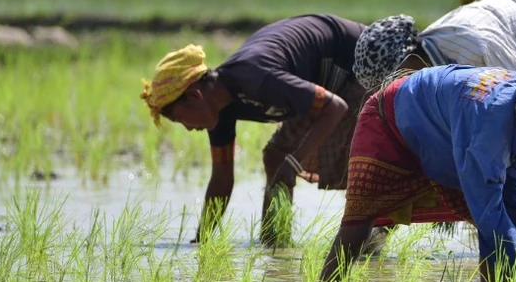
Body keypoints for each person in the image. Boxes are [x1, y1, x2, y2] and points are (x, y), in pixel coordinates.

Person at [319, 57, 516, 282]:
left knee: (488, 220)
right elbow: (490, 207)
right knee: (361, 212)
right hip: (391, 119)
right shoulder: (490, 119)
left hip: (445, 134)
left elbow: (514, 176)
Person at [352, 0, 516, 226]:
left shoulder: (472, 46)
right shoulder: (431, 78)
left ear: (408, 56)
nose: (396, 85)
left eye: (395, 75)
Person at [140, 15, 367, 245]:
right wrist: (201, 241)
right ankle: (275, 244)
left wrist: (296, 162)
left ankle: (371, 233)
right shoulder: (218, 109)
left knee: (360, 163)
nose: (188, 128)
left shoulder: (257, 78)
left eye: (181, 119)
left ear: (194, 96)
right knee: (277, 157)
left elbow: (335, 107)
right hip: (324, 80)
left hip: (358, 62)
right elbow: (221, 178)